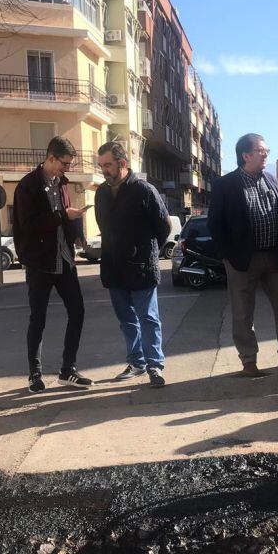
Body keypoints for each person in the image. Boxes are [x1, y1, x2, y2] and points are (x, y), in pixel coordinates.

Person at [208, 133, 278, 376]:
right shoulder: (226, 185)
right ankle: (248, 361)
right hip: (243, 260)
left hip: (275, 258)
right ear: (246, 155)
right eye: (261, 150)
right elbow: (215, 224)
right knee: (243, 311)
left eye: (266, 150)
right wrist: (229, 255)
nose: (266, 154)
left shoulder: (271, 179)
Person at [12, 136, 92, 393]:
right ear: (51, 158)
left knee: (78, 311)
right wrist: (61, 216)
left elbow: (64, 217)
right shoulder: (28, 186)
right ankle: (34, 375)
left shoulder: (63, 184)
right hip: (39, 262)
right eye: (64, 164)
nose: (66, 169)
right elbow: (28, 225)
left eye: (69, 164)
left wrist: (75, 229)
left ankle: (68, 370)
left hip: (64, 257)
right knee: (38, 318)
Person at [95, 141, 172, 388]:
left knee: (148, 318)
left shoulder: (144, 190)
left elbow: (164, 226)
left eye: (108, 165)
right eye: (101, 165)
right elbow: (103, 227)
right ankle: (136, 362)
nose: (104, 170)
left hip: (141, 268)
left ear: (122, 163)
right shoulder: (102, 193)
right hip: (113, 268)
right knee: (127, 320)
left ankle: (155, 366)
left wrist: (147, 253)